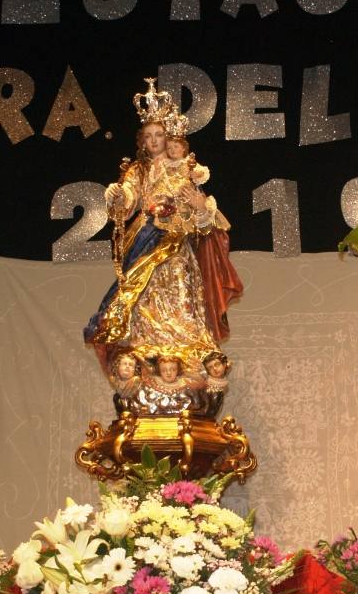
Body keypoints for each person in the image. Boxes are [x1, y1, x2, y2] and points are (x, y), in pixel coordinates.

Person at [83, 79, 243, 387]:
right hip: (145, 241)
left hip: (178, 245)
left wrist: (199, 206)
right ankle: (149, 350)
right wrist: (120, 196)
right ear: (141, 141)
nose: (155, 141)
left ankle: (184, 350)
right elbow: (128, 199)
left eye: (160, 135)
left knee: (181, 289)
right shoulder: (138, 171)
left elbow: (198, 212)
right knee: (144, 296)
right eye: (149, 136)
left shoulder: (183, 169)